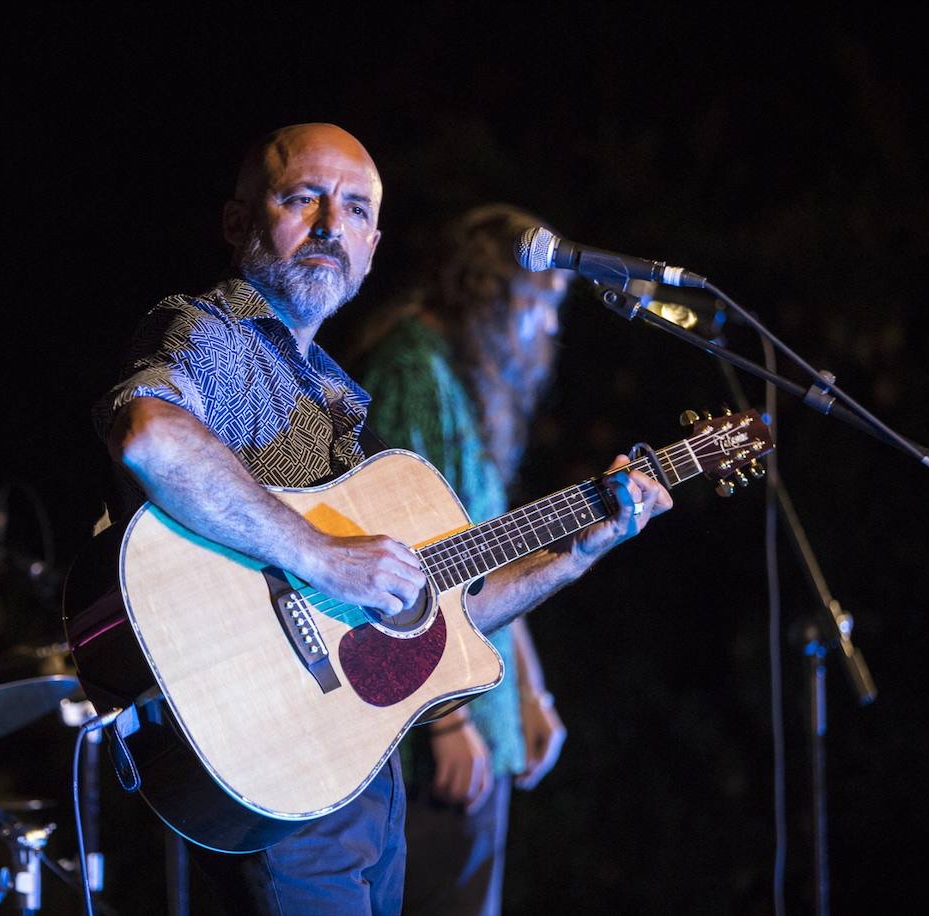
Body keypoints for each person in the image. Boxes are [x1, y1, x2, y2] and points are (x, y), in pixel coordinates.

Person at [93, 123, 671, 915]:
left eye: (356, 209)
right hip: (275, 765)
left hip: (356, 773)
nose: (332, 226)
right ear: (238, 221)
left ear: (372, 248)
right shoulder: (215, 333)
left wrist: (577, 551)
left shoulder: (333, 393)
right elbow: (150, 437)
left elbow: (441, 620)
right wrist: (324, 557)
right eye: (304, 199)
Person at [356, 204, 571, 915]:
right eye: (540, 301)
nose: (550, 326)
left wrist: (531, 692)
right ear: (489, 292)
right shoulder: (414, 368)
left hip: (487, 713)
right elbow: (403, 559)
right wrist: (449, 721)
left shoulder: (464, 378)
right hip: (436, 732)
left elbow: (488, 549)